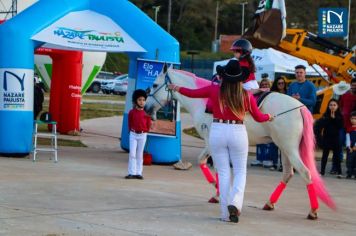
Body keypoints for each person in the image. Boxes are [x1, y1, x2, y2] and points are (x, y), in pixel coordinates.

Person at [168, 60, 273, 223]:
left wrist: (177, 88)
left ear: (224, 76)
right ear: (240, 78)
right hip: (238, 131)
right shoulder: (246, 95)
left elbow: (192, 93)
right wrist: (269, 117)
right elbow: (259, 117)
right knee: (240, 172)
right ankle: (235, 204)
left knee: (223, 173)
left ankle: (225, 214)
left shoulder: (214, 89)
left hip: (217, 130)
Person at [126, 89, 151, 180]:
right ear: (135, 101)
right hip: (133, 134)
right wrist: (131, 132)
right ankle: (131, 172)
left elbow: (148, 125)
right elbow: (129, 123)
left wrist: (144, 132)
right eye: (139, 100)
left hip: (143, 135)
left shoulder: (146, 114)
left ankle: (138, 173)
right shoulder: (131, 112)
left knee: (139, 154)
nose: (142, 102)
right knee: (132, 153)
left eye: (143, 100)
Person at [315, 99, 344, 177]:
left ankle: (339, 172)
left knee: (337, 156)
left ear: (337, 106)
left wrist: (334, 118)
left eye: (334, 105)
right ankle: (322, 172)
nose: (332, 107)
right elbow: (320, 125)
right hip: (326, 138)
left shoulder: (340, 116)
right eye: (331, 105)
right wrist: (328, 118)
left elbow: (340, 126)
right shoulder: (325, 115)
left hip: (336, 139)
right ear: (328, 106)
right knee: (325, 156)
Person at [346, 111, 356, 179]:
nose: (353, 120)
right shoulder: (349, 128)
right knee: (349, 160)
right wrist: (348, 146)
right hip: (350, 148)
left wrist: (355, 146)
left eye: (355, 118)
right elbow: (347, 138)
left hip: (355, 147)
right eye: (352, 118)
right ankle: (349, 173)